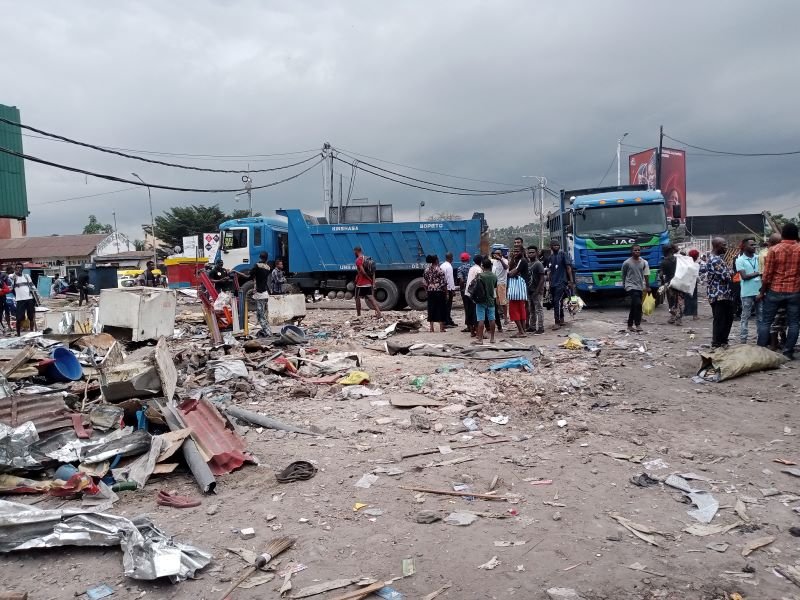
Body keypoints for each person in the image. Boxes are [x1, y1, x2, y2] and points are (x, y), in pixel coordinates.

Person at [757, 223, 800, 359]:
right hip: (794, 291)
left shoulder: (774, 250)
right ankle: (788, 352)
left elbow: (767, 275)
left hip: (775, 291)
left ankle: (761, 353)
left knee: (766, 322)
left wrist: (762, 292)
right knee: (794, 323)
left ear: (783, 235)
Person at [705, 237, 735, 348]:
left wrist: (729, 271)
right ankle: (718, 342)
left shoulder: (716, 258)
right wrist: (730, 271)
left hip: (720, 294)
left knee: (725, 318)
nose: (726, 247)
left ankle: (721, 341)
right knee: (722, 319)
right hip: (719, 294)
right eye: (724, 245)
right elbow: (726, 276)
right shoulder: (716, 260)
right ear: (717, 245)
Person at [237, 252, 272, 336]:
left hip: (260, 294)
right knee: (263, 314)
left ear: (259, 257)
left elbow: (248, 276)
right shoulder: (268, 268)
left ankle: (267, 332)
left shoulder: (257, 266)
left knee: (260, 315)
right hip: (265, 293)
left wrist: (237, 272)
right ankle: (267, 330)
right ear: (266, 258)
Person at [735, 237, 761, 344]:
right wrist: (759, 272)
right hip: (747, 293)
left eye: (755, 245)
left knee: (761, 316)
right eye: (752, 245)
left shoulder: (759, 258)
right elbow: (744, 276)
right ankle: (743, 340)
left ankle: (761, 339)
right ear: (745, 247)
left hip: (760, 291)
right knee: (745, 316)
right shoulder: (740, 260)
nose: (754, 247)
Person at [622, 245, 650, 333]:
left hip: (639, 286)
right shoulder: (627, 263)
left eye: (638, 250)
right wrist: (624, 285)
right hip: (630, 286)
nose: (637, 251)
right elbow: (623, 274)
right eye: (635, 250)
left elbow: (646, 275)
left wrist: (648, 286)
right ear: (631, 251)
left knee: (634, 305)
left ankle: (630, 325)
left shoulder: (643, 262)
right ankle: (638, 324)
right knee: (638, 304)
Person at [546, 239, 574, 329]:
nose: (556, 247)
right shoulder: (550, 257)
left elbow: (568, 268)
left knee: (557, 301)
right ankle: (561, 319)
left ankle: (557, 322)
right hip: (553, 283)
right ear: (551, 246)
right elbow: (550, 271)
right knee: (559, 302)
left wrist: (571, 281)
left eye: (557, 245)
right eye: (554, 245)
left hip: (562, 282)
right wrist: (549, 284)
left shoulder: (563, 255)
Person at [473, 258, 498, 345]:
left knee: (481, 320)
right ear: (491, 266)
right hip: (491, 300)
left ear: (482, 266)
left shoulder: (480, 276)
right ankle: (492, 338)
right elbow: (494, 286)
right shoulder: (494, 276)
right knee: (492, 319)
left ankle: (480, 339)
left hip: (481, 301)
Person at [353, 246, 381, 319]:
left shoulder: (358, 260)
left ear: (356, 251)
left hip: (360, 284)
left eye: (354, 252)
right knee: (371, 298)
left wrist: (368, 278)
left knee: (357, 298)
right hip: (368, 283)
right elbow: (373, 272)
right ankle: (379, 313)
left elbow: (363, 272)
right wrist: (372, 282)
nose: (354, 253)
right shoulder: (367, 259)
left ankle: (358, 315)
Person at [507, 247, 529, 337]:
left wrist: (510, 273)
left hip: (516, 289)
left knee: (514, 310)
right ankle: (523, 330)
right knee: (521, 309)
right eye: (514, 251)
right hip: (520, 289)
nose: (515, 253)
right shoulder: (519, 261)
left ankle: (521, 331)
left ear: (522, 252)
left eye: (517, 251)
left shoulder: (521, 261)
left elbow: (511, 273)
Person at [9, 263, 36, 336]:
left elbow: (32, 286)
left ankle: (31, 333)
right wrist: (15, 273)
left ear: (23, 268)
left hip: (29, 299)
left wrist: (36, 295)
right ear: (15, 269)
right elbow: (11, 279)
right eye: (17, 268)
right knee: (19, 318)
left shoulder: (27, 276)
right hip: (20, 300)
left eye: (20, 267)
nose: (19, 269)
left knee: (31, 317)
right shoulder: (12, 276)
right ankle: (18, 334)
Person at [660, 245, 683, 325]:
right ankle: (679, 318)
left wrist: (662, 283)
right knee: (679, 300)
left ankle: (673, 317)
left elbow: (661, 275)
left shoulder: (664, 262)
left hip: (669, 283)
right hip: (679, 282)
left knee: (671, 301)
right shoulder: (678, 260)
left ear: (665, 252)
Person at [423, 255, 447, 332]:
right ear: (436, 260)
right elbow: (444, 283)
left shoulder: (426, 270)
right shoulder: (440, 270)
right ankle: (441, 328)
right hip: (439, 291)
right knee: (440, 308)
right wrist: (446, 293)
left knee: (431, 308)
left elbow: (424, 282)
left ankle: (431, 328)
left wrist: (426, 291)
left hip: (430, 291)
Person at [526, 246, 545, 334]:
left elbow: (542, 278)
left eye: (532, 252)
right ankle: (532, 326)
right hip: (530, 290)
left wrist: (537, 290)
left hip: (537, 291)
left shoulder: (538, 264)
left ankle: (541, 327)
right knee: (531, 309)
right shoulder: (528, 264)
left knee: (539, 309)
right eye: (529, 252)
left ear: (536, 253)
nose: (531, 254)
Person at [463, 254, 483, 337]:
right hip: (474, 295)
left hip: (467, 293)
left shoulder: (471, 268)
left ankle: (472, 332)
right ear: (481, 262)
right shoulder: (479, 270)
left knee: (469, 313)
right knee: (476, 314)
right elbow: (478, 283)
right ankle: (478, 333)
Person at [456, 252, 475, 334]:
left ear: (461, 259)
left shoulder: (460, 268)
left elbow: (461, 280)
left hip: (464, 290)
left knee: (467, 308)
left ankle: (469, 326)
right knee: (473, 307)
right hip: (473, 290)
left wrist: (462, 288)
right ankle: (475, 325)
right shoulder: (472, 267)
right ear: (468, 259)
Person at [491, 248, 508, 332]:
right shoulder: (494, 262)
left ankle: (505, 318)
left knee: (503, 302)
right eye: (495, 254)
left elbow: (506, 268)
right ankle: (498, 316)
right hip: (495, 283)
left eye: (498, 253)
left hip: (501, 283)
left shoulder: (504, 261)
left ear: (501, 254)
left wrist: (500, 259)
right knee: (496, 302)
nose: (496, 255)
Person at [683, 249, 700, 320]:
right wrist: (699, 281)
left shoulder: (685, 264)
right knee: (694, 298)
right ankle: (695, 315)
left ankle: (684, 313)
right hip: (693, 283)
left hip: (685, 282)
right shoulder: (696, 265)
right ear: (696, 257)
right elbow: (697, 276)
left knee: (685, 298)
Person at [441, 252, 457, 328]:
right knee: (448, 306)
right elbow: (450, 279)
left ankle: (448, 320)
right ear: (450, 258)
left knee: (444, 305)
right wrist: (453, 290)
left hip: (443, 288)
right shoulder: (449, 267)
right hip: (448, 289)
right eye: (452, 257)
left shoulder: (442, 265)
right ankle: (447, 321)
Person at [0, 268, 11, 333]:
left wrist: (1, 291)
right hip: (3, 298)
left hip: (3, 299)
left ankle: (8, 326)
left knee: (6, 313)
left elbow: (8, 289)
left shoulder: (2, 280)